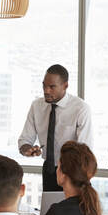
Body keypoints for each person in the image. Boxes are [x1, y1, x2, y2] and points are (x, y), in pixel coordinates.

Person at [18, 64, 93, 192]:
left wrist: (73, 175)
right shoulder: (36, 106)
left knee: (72, 210)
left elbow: (85, 150)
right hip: (49, 170)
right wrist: (28, 149)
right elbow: (24, 140)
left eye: (52, 87)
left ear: (65, 86)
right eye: (44, 86)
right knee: (50, 209)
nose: (46, 91)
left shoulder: (80, 108)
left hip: (73, 171)